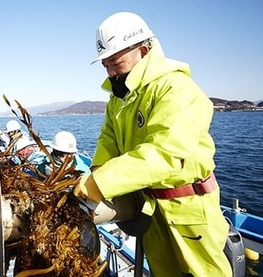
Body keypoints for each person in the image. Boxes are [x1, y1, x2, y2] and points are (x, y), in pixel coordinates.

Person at [73, 12, 232, 276]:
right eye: (106, 66)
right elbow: (108, 138)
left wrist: (100, 183)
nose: (111, 72)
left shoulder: (177, 88)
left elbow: (165, 152)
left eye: (116, 63)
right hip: (149, 208)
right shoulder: (118, 99)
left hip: (188, 209)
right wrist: (98, 170)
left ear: (143, 50)